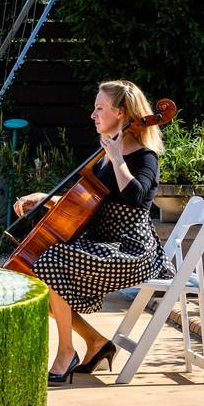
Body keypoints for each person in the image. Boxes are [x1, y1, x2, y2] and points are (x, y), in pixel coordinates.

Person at [13, 80, 173, 384]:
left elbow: (136, 197)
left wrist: (116, 158)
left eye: (100, 108)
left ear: (121, 113)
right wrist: (45, 199)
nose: (93, 115)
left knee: (50, 263)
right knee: (37, 274)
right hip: (104, 244)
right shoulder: (103, 158)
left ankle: (65, 353)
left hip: (131, 251)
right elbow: (89, 203)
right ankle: (97, 343)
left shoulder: (144, 157)